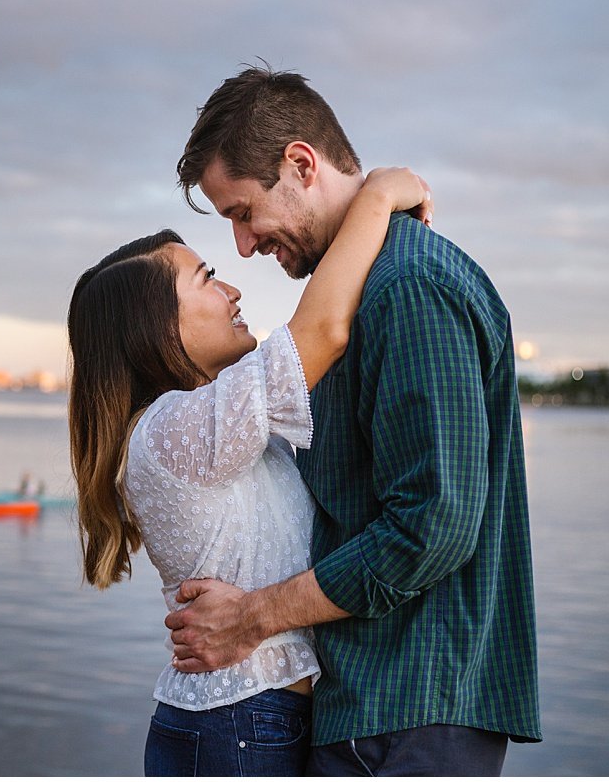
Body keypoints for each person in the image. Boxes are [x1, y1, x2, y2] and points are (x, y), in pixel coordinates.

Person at [166, 69, 542, 778]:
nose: (245, 245)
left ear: (301, 164)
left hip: (411, 711)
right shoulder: (365, 286)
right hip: (373, 705)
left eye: (244, 212)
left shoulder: (408, 286)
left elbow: (433, 523)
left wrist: (253, 616)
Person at [68, 165, 433, 778]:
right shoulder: (172, 432)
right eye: (207, 279)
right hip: (240, 725)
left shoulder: (209, 428)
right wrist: (378, 195)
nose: (233, 291)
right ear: (158, 328)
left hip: (245, 722)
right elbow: (322, 330)